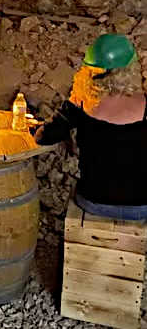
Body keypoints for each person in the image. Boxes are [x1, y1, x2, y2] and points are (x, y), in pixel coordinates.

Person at [35, 33, 147, 220]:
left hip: (96, 202)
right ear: (131, 69)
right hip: (142, 206)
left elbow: (44, 137)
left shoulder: (80, 103)